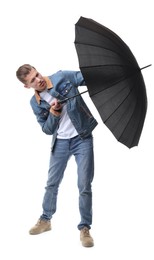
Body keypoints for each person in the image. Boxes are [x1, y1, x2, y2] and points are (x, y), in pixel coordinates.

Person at [16, 64, 98, 247]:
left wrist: (108, 76)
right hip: (60, 142)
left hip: (82, 137)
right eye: (32, 81)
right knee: (52, 183)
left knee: (84, 184)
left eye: (37, 75)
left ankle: (85, 228)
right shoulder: (35, 103)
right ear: (27, 86)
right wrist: (54, 113)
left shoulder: (62, 76)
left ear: (38, 70)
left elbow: (87, 78)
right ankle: (46, 220)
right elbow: (47, 129)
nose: (38, 80)